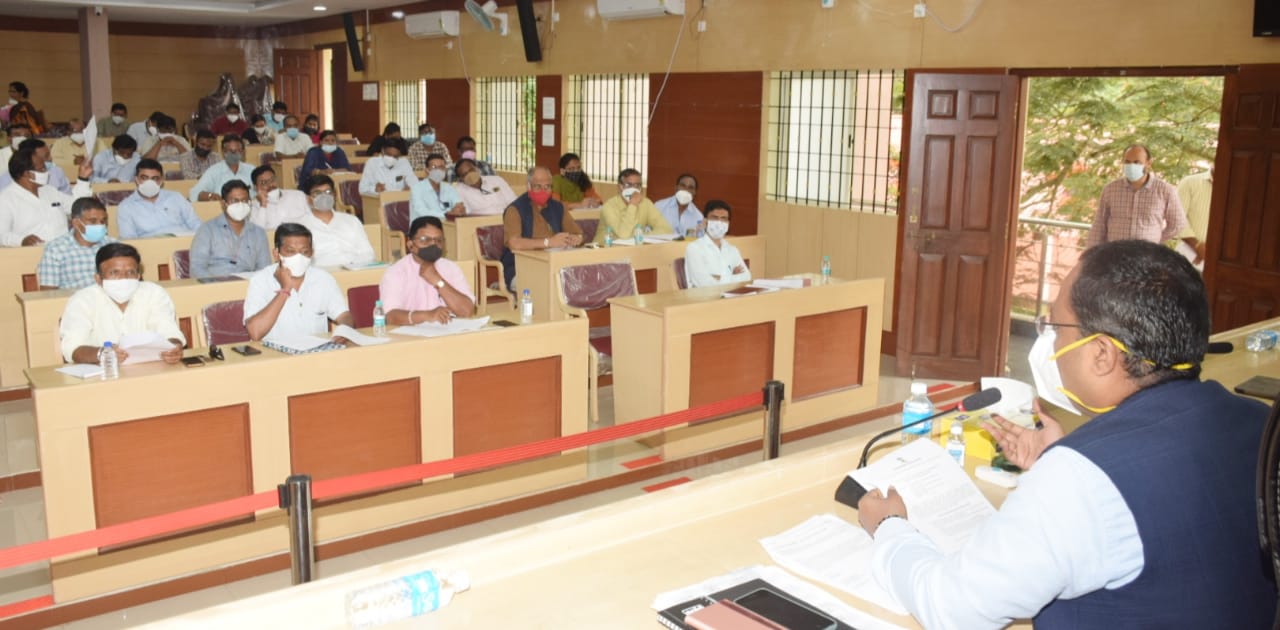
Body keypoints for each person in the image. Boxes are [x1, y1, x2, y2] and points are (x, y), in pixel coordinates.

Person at [858, 239, 1277, 629]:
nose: (1051, 342)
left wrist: (891, 527)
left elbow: (952, 607)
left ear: (1101, 354)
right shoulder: (1257, 421)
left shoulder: (1080, 481)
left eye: (1056, 327)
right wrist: (1060, 459)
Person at [58, 242, 185, 365]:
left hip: (150, 371)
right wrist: (102, 353)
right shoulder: (82, 300)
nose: (124, 278)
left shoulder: (154, 293)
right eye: (114, 273)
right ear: (98, 279)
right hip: (103, 375)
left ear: (138, 276)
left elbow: (170, 333)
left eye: (130, 272)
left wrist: (173, 348)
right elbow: (73, 349)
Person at [243, 222, 352, 344]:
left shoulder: (323, 279)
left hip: (316, 355)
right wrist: (285, 290)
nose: (299, 257)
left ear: (312, 253)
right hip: (276, 357)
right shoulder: (260, 281)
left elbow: (344, 315)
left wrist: (345, 330)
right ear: (276, 254)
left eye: (304, 252)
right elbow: (255, 332)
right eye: (291, 251)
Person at [379, 216, 476, 325]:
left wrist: (437, 280)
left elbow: (467, 311)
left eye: (438, 240)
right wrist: (428, 315)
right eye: (425, 240)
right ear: (410, 244)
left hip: (448, 332)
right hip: (411, 336)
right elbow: (390, 316)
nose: (433, 245)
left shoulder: (451, 268)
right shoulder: (396, 272)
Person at [1085, 144, 1187, 247]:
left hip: (1146, 255)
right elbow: (1099, 225)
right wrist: (1090, 255)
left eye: (1137, 162)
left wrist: (1156, 240)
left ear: (1148, 163)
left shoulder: (1164, 190)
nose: (1131, 166)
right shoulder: (1111, 189)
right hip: (1115, 254)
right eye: (1127, 162)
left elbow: (1178, 223)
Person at [501, 166, 584, 290]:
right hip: (520, 267)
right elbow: (514, 243)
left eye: (547, 187)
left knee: (580, 281)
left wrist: (576, 238)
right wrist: (548, 242)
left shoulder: (558, 207)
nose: (543, 191)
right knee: (550, 286)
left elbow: (578, 234)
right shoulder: (515, 210)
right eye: (538, 186)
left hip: (555, 264)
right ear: (528, 186)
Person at [0, 142, 94, 246]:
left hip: (63, 250)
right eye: (42, 169)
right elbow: (2, 235)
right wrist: (21, 240)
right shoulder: (6, 199)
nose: (47, 172)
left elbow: (77, 206)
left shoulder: (49, 191)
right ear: (27, 174)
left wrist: (83, 178)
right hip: (30, 254)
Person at [189, 180, 270, 279]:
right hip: (215, 287)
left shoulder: (259, 233)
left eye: (244, 200)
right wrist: (215, 286)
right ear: (223, 204)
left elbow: (264, 270)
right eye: (235, 201)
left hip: (248, 287)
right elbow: (196, 268)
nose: (240, 204)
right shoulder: (207, 230)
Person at [36, 197, 116, 290]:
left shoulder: (113, 245)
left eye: (103, 221)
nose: (100, 225)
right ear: (76, 223)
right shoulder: (56, 249)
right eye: (93, 221)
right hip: (74, 301)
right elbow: (48, 293)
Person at [297, 174, 375, 268]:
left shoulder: (351, 221)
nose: (324, 196)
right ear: (308, 199)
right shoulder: (300, 226)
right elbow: (301, 260)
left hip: (354, 270)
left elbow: (368, 253)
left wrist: (351, 266)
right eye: (317, 193)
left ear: (335, 195)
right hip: (321, 274)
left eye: (328, 192)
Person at [117, 159, 202, 238]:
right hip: (153, 249)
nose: (149, 182)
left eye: (155, 178)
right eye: (144, 178)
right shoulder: (126, 207)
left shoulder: (176, 197)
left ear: (161, 181)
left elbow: (195, 223)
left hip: (184, 243)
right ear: (136, 179)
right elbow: (129, 239)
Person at [593, 168, 673, 244]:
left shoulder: (646, 203)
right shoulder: (609, 206)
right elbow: (624, 235)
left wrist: (641, 236)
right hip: (604, 250)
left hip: (633, 249)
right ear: (619, 187)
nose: (633, 189)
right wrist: (633, 205)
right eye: (629, 185)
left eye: (637, 185)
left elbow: (666, 229)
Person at [684, 200, 750, 288]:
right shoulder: (694, 248)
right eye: (714, 218)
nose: (719, 222)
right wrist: (732, 277)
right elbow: (703, 284)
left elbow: (747, 277)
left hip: (730, 298)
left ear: (728, 223)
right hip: (704, 299)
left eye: (724, 218)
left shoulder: (732, 250)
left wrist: (719, 278)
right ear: (705, 221)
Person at [0, 128, 71, 193]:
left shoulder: (56, 172)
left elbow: (67, 196)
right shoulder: (7, 179)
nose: (50, 159)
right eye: (45, 156)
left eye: (49, 154)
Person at [189, 135, 253, 202]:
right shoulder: (214, 171)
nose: (234, 154)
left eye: (237, 151)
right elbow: (194, 194)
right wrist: (210, 196)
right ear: (223, 152)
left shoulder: (251, 170)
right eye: (230, 151)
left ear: (242, 152)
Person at [248, 165, 309, 230]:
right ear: (255, 187)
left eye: (272, 180)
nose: (270, 185)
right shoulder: (253, 206)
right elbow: (258, 231)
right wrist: (263, 205)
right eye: (264, 183)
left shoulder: (298, 195)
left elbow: (312, 218)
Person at [408, 153, 461, 221]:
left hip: (447, 225)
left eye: (441, 167)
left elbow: (459, 205)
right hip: (423, 226)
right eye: (434, 167)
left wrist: (460, 209)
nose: (438, 170)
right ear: (427, 170)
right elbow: (422, 212)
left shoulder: (449, 187)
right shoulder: (417, 188)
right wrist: (447, 214)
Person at [1175, 168, 1212, 266]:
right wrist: (1197, 246)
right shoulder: (1189, 183)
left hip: (1222, 263)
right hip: (1189, 257)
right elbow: (1177, 218)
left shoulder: (1237, 189)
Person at [655, 173, 703, 238]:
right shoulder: (659, 207)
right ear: (676, 188)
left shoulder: (698, 217)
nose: (686, 190)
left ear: (695, 192)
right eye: (683, 186)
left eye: (690, 188)